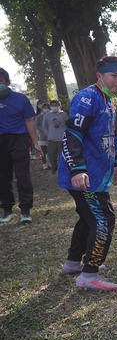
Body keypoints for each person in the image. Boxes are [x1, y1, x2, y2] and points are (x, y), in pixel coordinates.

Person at [58, 56, 117, 290]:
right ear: (100, 76)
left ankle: (73, 263)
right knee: (103, 221)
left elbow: (111, 134)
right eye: (114, 76)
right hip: (84, 176)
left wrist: (116, 162)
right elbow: (72, 135)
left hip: (98, 174)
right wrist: (77, 169)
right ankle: (89, 275)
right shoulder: (87, 98)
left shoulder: (109, 98)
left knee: (88, 219)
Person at [0, 67, 42, 223]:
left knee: (22, 175)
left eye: (1, 82)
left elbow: (29, 121)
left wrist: (36, 143)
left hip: (19, 140)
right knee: (2, 176)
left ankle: (25, 210)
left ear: (8, 82)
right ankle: (7, 210)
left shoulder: (20, 99)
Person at [44, 99, 68, 175]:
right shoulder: (47, 115)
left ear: (59, 106)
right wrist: (48, 134)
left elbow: (67, 125)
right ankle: (54, 167)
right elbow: (44, 126)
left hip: (61, 138)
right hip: (51, 138)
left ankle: (62, 168)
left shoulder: (64, 115)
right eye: (52, 106)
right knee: (51, 155)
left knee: (62, 155)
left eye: (56, 105)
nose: (54, 107)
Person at [35, 102, 50, 170]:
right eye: (44, 107)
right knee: (43, 150)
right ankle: (44, 163)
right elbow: (37, 125)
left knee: (50, 150)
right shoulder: (38, 117)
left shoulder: (51, 115)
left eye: (47, 107)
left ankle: (50, 162)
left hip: (50, 135)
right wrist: (42, 131)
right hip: (42, 136)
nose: (46, 109)